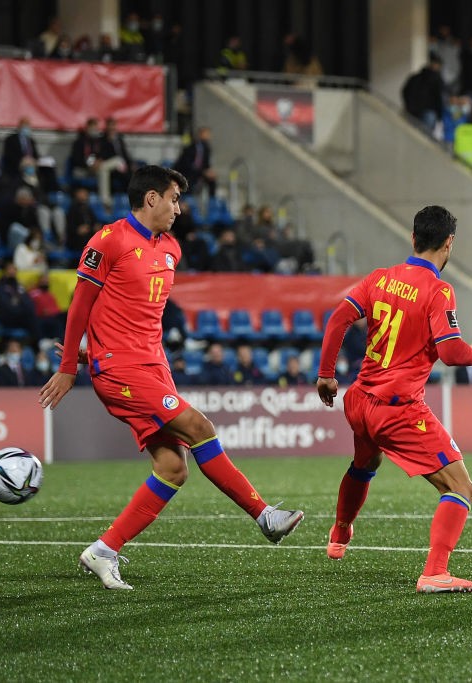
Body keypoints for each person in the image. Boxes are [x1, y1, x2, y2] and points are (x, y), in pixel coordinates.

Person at [38, 166, 303, 590]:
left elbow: (129, 311)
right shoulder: (109, 241)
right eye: (174, 198)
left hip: (153, 368)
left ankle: (103, 551)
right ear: (151, 199)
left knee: (172, 468)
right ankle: (264, 516)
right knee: (200, 427)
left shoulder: (171, 250)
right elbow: (80, 307)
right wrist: (71, 367)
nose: (179, 208)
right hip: (121, 371)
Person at [316, 205, 472, 593]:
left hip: (358, 402)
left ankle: (340, 533)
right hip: (397, 410)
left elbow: (338, 318)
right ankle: (435, 572)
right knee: (461, 488)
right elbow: (453, 353)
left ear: (413, 238)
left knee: (364, 462)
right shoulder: (438, 290)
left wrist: (326, 374)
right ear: (449, 243)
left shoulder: (380, 278)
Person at [174, 126, 217, 196]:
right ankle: (187, 198)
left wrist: (209, 171)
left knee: (212, 180)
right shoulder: (191, 147)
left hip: (199, 172)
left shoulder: (207, 148)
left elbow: (206, 164)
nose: (208, 136)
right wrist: (203, 172)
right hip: (187, 171)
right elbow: (186, 164)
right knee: (190, 178)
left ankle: (212, 201)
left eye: (209, 134)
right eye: (205, 134)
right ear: (199, 134)